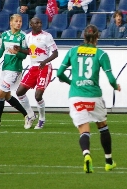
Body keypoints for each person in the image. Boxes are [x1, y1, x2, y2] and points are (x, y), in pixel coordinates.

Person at [57, 24, 120, 173]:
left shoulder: (73, 51)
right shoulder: (101, 54)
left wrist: (71, 82)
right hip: (94, 97)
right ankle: (108, 161)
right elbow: (111, 78)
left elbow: (59, 73)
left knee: (84, 130)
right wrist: (116, 86)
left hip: (76, 96)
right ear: (97, 37)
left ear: (83, 37)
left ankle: (86, 154)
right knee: (102, 126)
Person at [0, 14, 31, 129]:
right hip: (5, 68)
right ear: (11, 23)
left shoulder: (23, 37)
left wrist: (17, 53)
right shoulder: (4, 35)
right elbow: (1, 51)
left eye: (20, 21)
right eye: (16, 21)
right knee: (6, 96)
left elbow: (25, 55)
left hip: (15, 69)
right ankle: (27, 115)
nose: (19, 23)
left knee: (0, 93)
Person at [14, 17, 59, 130]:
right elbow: (31, 51)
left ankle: (42, 119)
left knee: (38, 95)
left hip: (44, 67)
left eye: (40, 22)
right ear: (31, 24)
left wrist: (45, 61)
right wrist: (20, 49)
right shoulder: (28, 37)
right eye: (36, 23)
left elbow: (55, 53)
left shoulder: (46, 36)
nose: (39, 24)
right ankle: (30, 115)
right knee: (19, 92)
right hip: (33, 67)